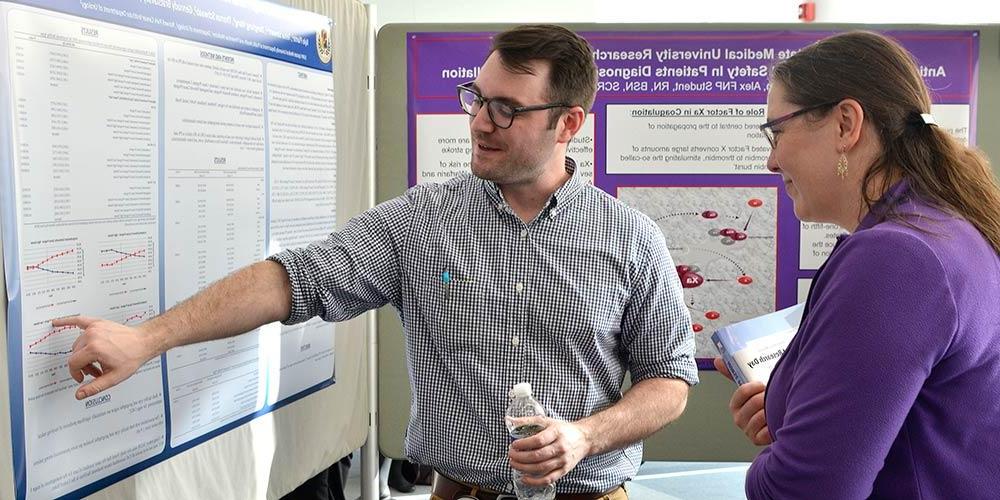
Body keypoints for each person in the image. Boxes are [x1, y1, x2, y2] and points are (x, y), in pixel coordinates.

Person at [57, 24, 698, 499]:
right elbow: (293, 280)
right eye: (476, 97)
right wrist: (146, 338)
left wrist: (585, 436)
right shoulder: (423, 221)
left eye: (507, 108)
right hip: (462, 491)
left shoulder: (631, 238)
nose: (480, 120)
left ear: (569, 123)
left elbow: (669, 383)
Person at [714, 31, 1000, 499]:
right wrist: (795, 408)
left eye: (776, 131)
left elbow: (808, 489)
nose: (770, 161)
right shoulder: (947, 229)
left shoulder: (895, 257)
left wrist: (778, 460)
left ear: (846, 123)